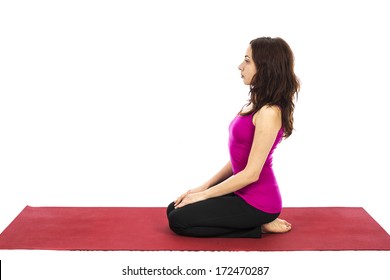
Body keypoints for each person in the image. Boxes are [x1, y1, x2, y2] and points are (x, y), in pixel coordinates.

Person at [166, 37, 300, 238]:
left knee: (179, 222)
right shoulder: (253, 104)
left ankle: (259, 226)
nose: (240, 66)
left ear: (265, 67)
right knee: (173, 209)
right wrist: (204, 186)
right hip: (241, 192)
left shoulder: (269, 112)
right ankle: (254, 224)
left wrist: (202, 196)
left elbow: (251, 174)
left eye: (247, 60)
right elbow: (239, 158)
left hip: (259, 203)